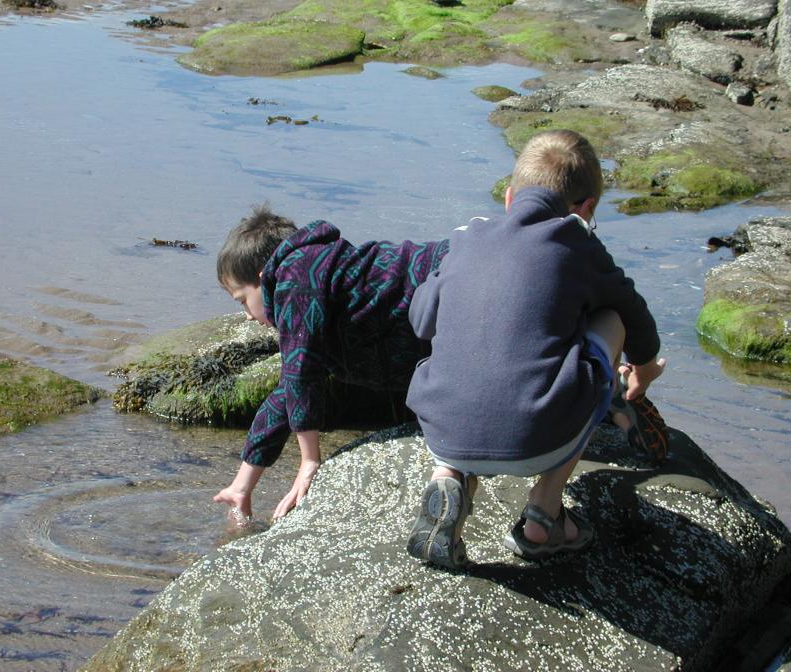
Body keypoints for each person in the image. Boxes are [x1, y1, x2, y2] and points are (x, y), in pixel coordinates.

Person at [405, 129, 668, 568]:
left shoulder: (466, 239)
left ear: (509, 197)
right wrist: (644, 367)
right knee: (611, 319)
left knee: (481, 346)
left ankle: (448, 478)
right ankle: (543, 516)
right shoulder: (578, 243)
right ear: (586, 210)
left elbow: (421, 321)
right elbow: (633, 313)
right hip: (538, 438)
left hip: (443, 431)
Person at [212, 205, 449, 523]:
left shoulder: (295, 279)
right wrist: (242, 485)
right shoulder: (311, 276)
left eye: (243, 300)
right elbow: (288, 393)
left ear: (262, 277)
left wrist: (309, 460)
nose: (248, 316)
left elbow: (301, 370)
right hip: (441, 289)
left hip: (447, 277)